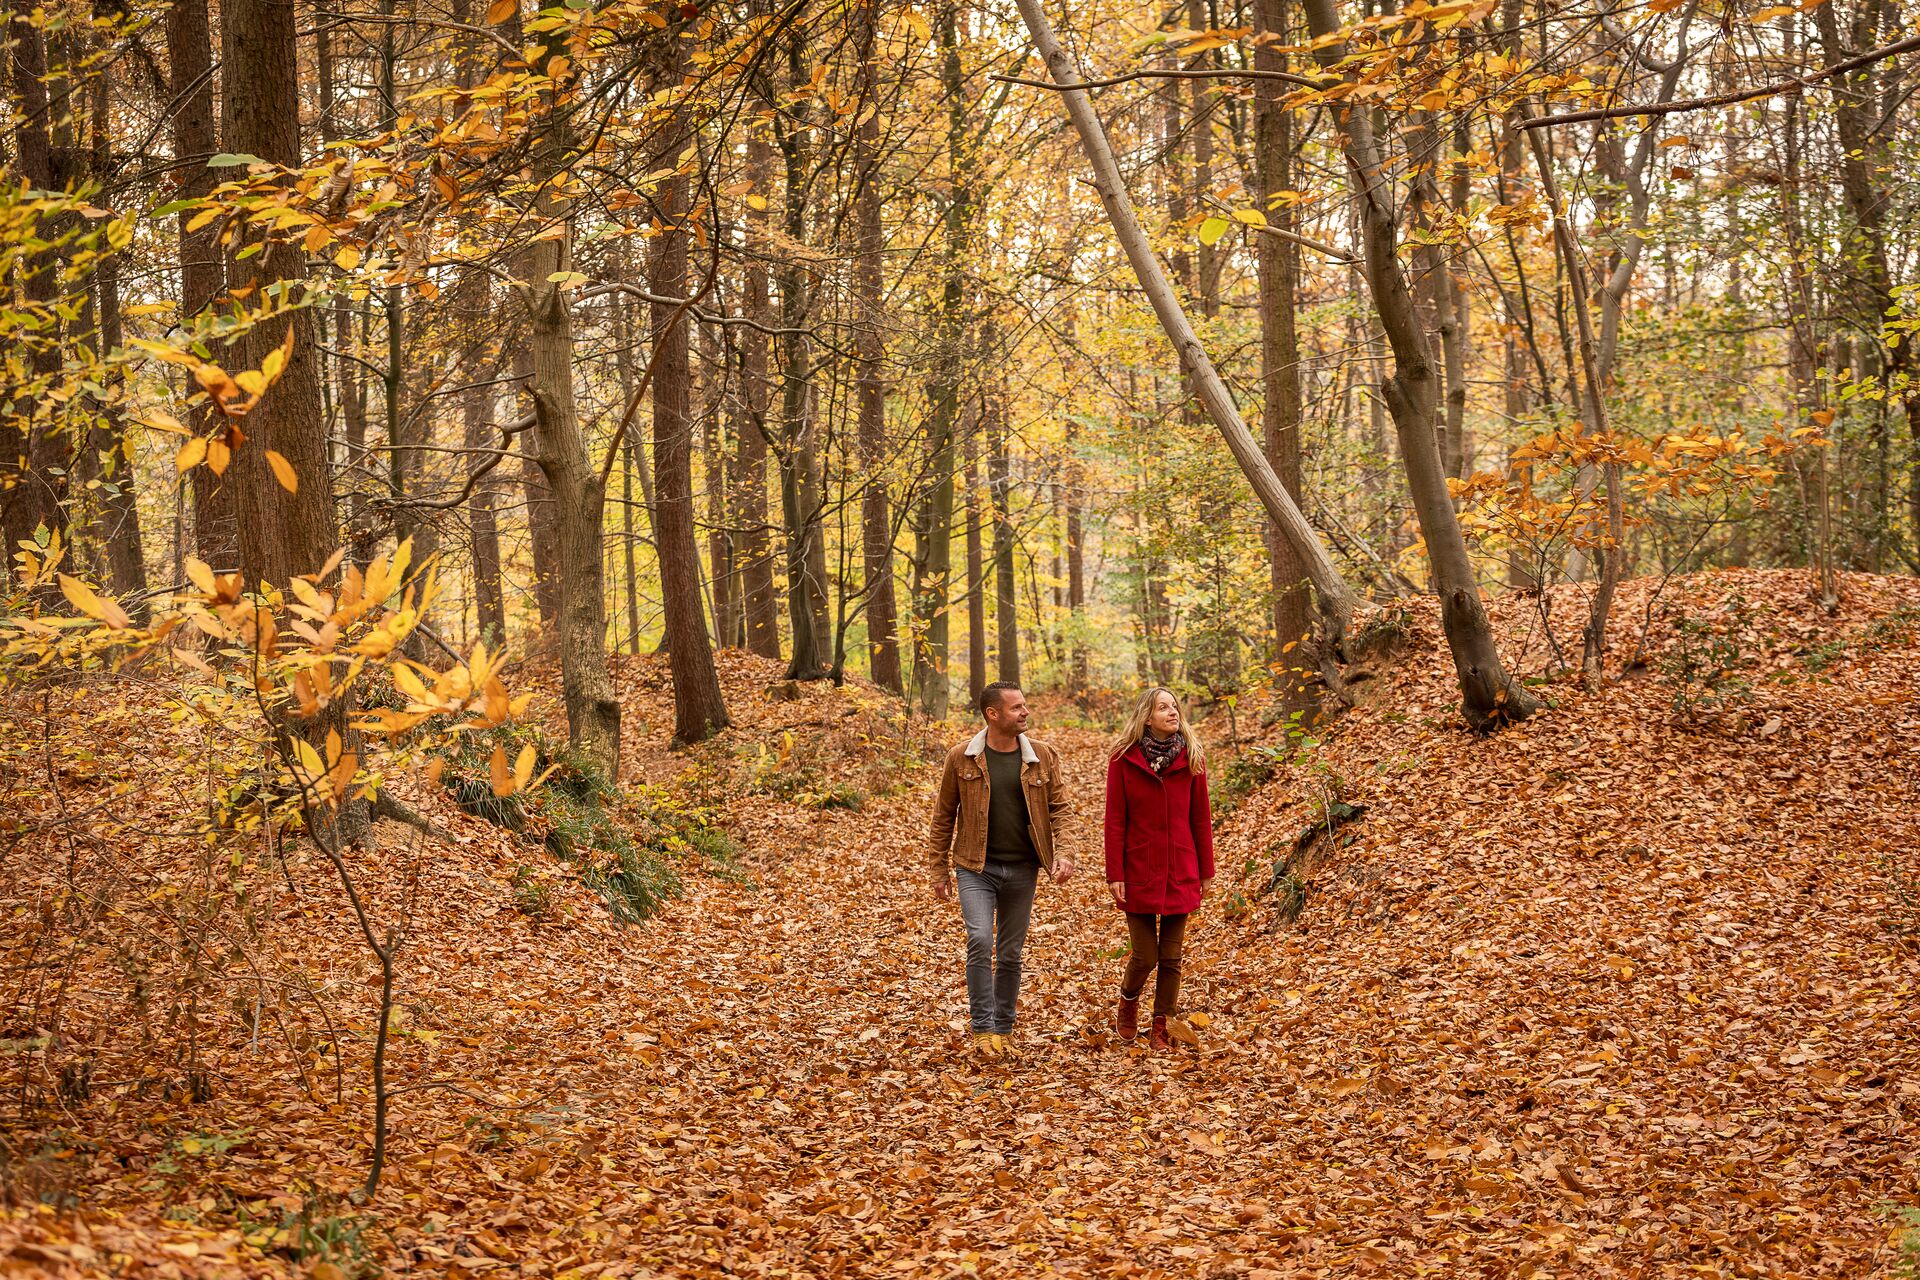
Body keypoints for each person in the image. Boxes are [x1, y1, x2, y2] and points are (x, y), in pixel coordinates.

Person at [928, 681, 1073, 1058]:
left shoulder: (1042, 756)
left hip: (1024, 868)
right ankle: (982, 1028)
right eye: (1016, 708)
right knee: (979, 939)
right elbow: (943, 816)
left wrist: (1065, 852)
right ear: (993, 714)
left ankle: (1004, 1029)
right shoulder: (961, 758)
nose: (1025, 712)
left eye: (1025, 705)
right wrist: (938, 870)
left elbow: (1061, 810)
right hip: (976, 867)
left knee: (1010, 952)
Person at [1103, 687, 1213, 1050]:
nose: (1172, 712)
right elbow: (1115, 820)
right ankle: (1128, 1000)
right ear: (1147, 717)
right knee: (1145, 955)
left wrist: (1205, 870)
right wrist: (1115, 872)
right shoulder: (1123, 759)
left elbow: (1201, 819)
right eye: (1162, 707)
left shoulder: (1193, 758)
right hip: (1138, 867)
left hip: (1181, 865)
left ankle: (1161, 1024)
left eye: (1175, 706)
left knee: (1171, 956)